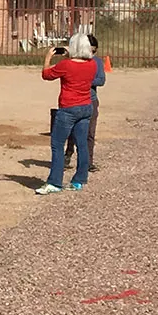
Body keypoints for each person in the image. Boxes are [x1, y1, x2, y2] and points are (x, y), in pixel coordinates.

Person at [37, 34, 97, 195]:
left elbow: (46, 75)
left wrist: (49, 57)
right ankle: (79, 180)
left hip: (68, 108)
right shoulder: (92, 64)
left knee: (57, 145)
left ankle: (55, 182)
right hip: (86, 106)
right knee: (82, 144)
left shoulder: (66, 65)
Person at [66, 34, 105, 172]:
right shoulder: (73, 61)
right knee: (71, 130)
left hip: (90, 100)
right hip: (73, 100)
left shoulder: (97, 62)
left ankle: (88, 162)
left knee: (90, 132)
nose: (91, 53)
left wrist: (84, 80)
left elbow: (101, 80)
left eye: (94, 50)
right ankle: (68, 153)